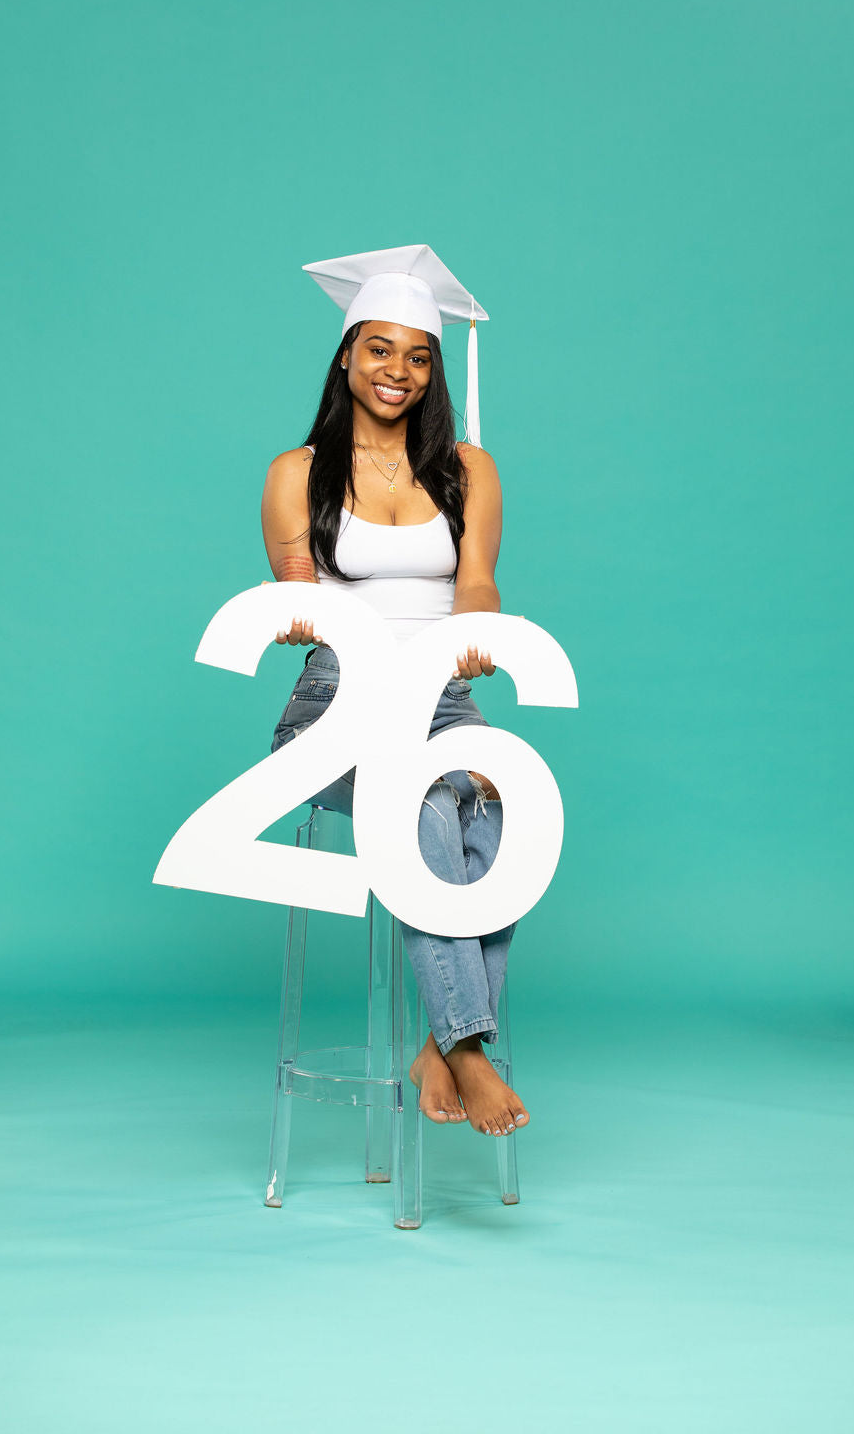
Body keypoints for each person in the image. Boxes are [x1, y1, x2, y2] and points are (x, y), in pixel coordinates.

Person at [260, 245, 529, 1139]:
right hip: (334, 702)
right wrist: (294, 612)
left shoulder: (468, 469)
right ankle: (468, 1049)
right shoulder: (296, 473)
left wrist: (475, 637)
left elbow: (477, 582)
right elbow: (295, 589)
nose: (397, 371)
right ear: (347, 354)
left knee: (508, 804)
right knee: (424, 803)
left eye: (418, 356)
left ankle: (441, 1044)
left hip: (441, 698)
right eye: (379, 349)